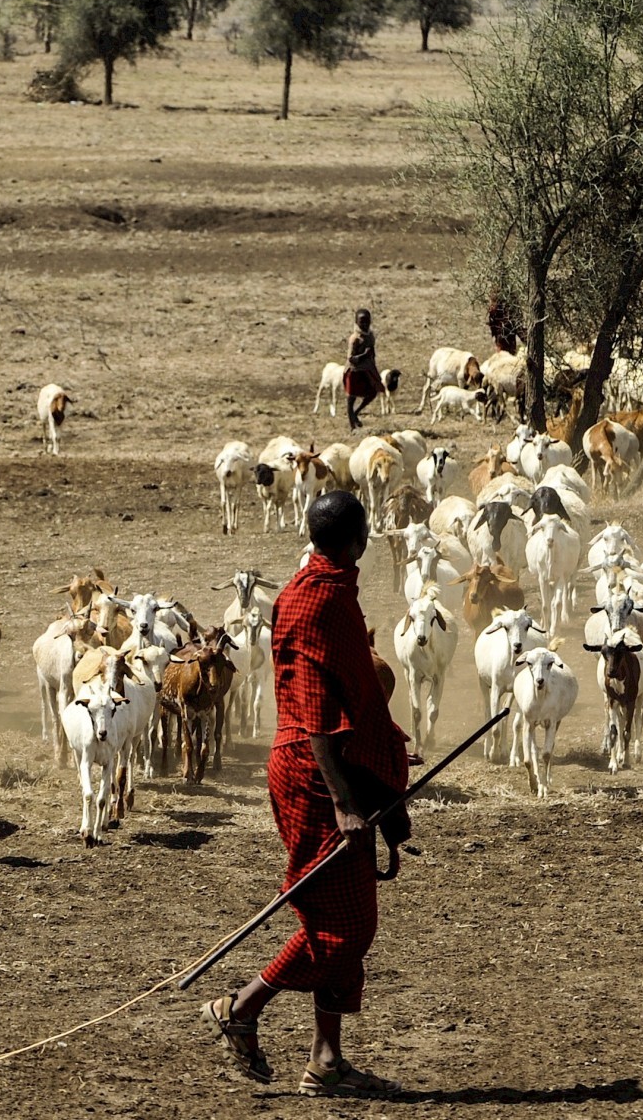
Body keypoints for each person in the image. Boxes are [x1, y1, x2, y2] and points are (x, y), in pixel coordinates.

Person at [201, 491, 408, 1098]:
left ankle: (326, 1060)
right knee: (346, 928)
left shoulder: (311, 588)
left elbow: (340, 695)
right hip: (317, 775)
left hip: (328, 765)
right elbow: (317, 715)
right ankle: (242, 1006)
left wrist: (376, 753)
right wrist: (344, 796)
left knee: (336, 911)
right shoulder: (322, 600)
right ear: (358, 540)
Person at [343, 309, 382, 430]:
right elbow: (351, 358)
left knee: (373, 392)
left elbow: (372, 353)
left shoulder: (370, 336)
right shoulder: (355, 339)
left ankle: (356, 413)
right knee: (351, 399)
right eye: (361, 322)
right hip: (354, 372)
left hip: (366, 370)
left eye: (367, 321)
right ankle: (352, 427)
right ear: (356, 322)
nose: (364, 324)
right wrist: (364, 355)